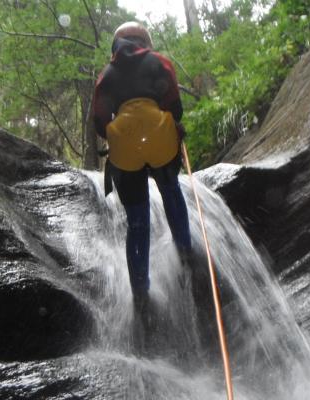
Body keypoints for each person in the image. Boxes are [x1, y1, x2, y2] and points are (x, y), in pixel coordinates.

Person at [91, 22, 192, 314]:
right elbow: (175, 104)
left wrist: (117, 131)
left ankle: (140, 289)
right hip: (158, 132)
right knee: (171, 190)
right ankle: (185, 250)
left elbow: (100, 121)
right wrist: (173, 122)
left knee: (137, 220)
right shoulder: (158, 62)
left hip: (124, 138)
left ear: (116, 43)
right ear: (144, 40)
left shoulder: (106, 75)